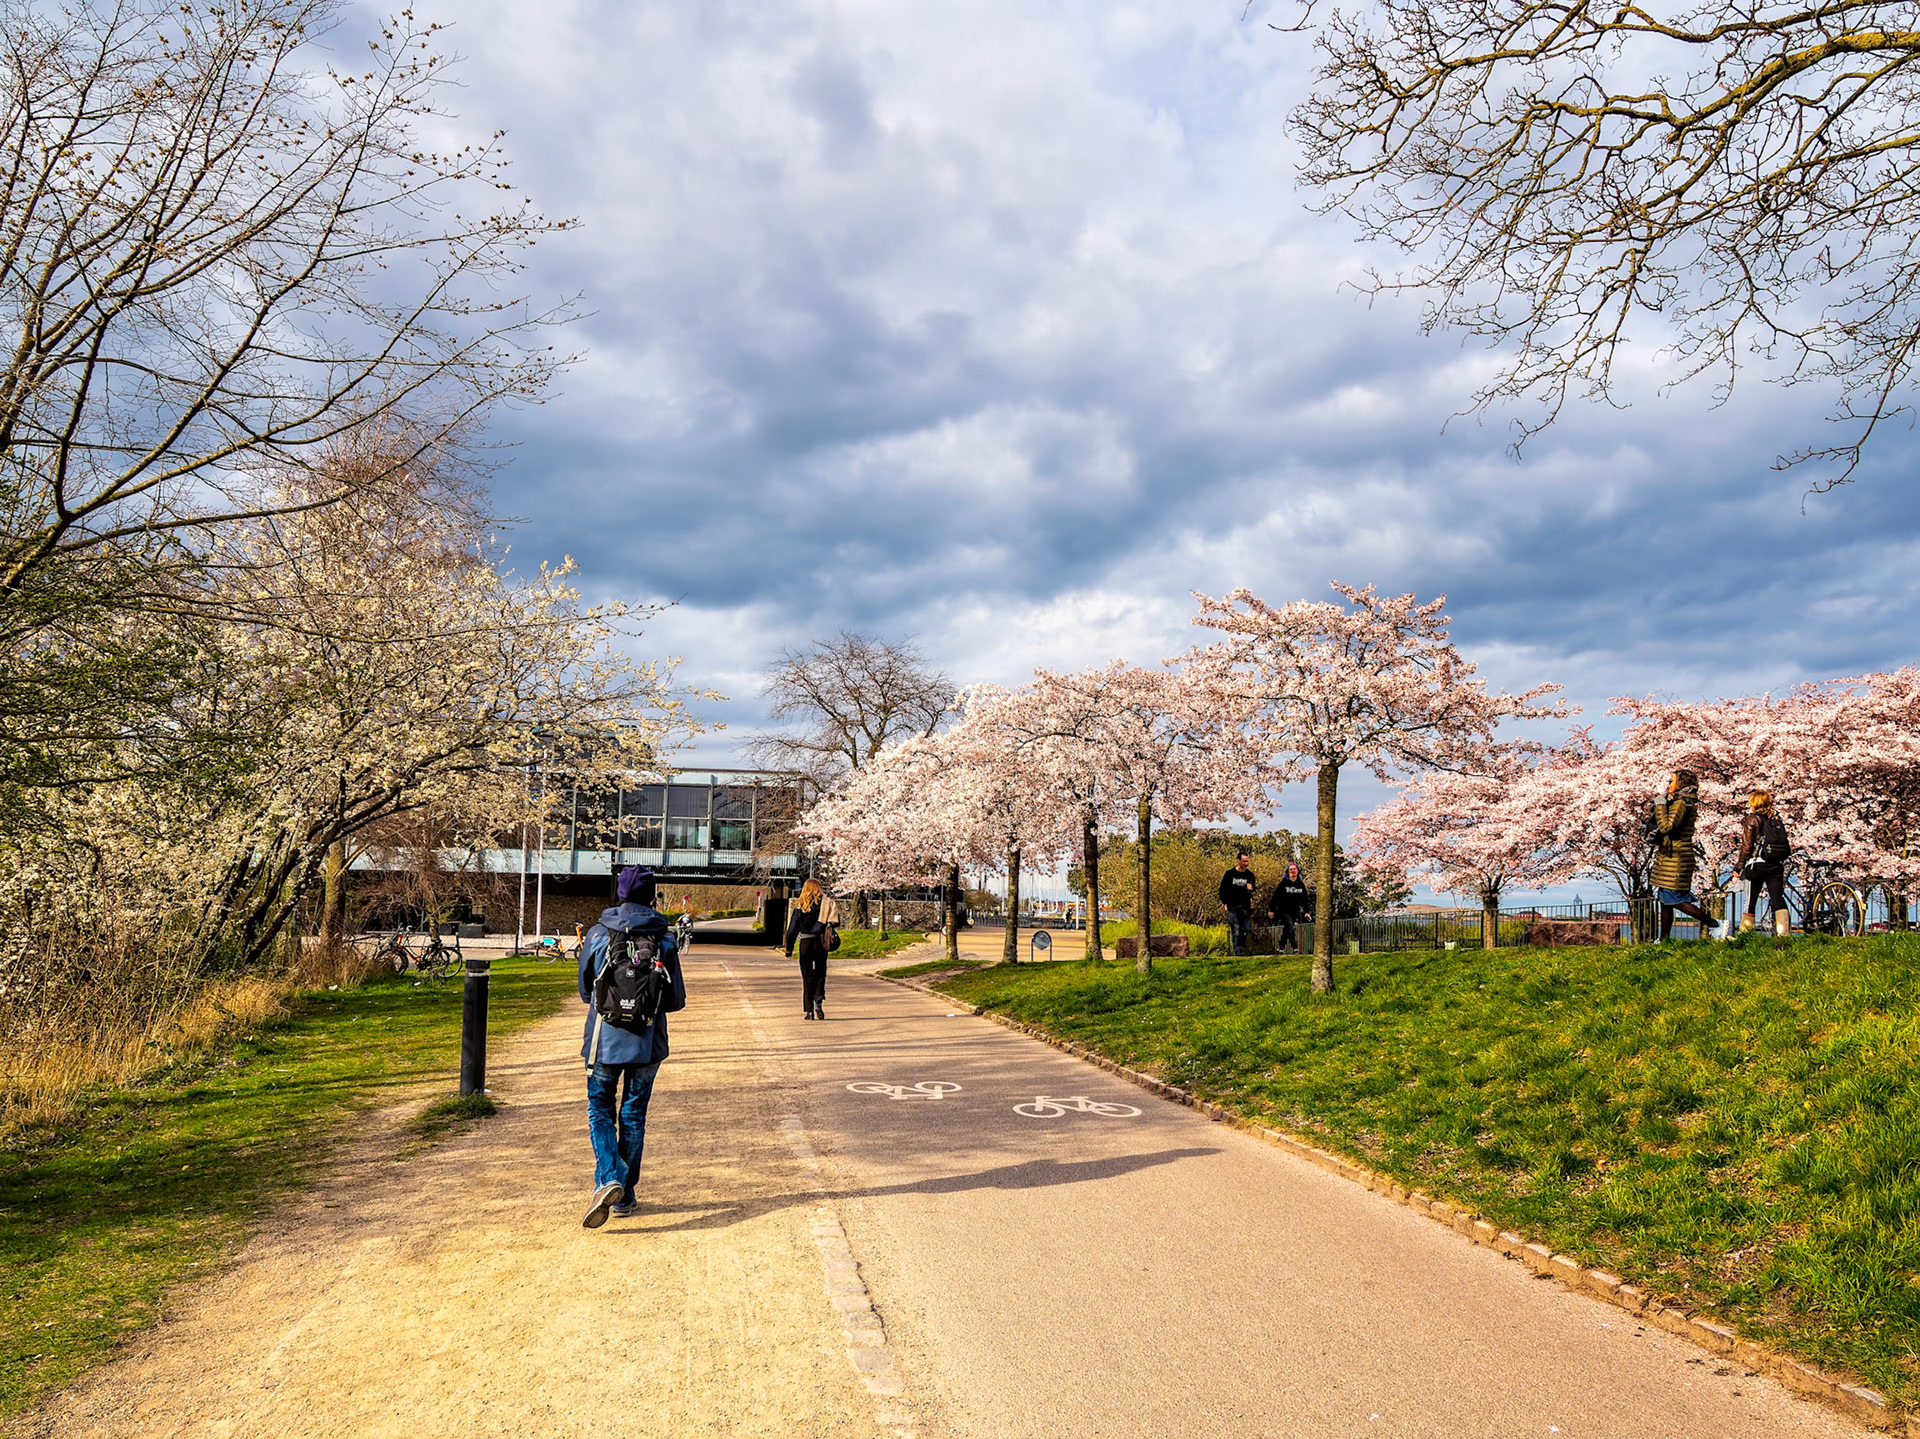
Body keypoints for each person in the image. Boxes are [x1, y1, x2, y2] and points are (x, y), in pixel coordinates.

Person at [577, 865, 685, 1229]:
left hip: (603, 1042)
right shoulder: (665, 939)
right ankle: (625, 1195)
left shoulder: (596, 934)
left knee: (600, 1112)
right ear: (652, 897)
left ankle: (609, 1177)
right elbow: (674, 1000)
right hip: (647, 1043)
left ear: (619, 894)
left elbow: (584, 992)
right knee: (633, 1116)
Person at [1651, 770, 1718, 940]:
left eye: (1672, 780)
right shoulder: (1683, 802)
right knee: (1665, 902)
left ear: (1680, 783)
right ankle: (1663, 939)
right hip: (1671, 858)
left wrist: (1660, 805)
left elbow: (1667, 827)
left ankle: (1714, 924)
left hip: (1676, 859)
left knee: (1675, 900)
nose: (1669, 784)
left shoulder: (1682, 803)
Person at [1733, 790, 1791, 934]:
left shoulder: (1752, 819)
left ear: (1753, 803)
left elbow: (1747, 846)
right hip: (1775, 865)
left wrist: (1739, 867)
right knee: (1778, 900)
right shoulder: (1776, 819)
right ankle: (1784, 936)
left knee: (1750, 902)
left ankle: (1745, 935)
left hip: (1756, 866)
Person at [783, 877, 840, 1020]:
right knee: (820, 973)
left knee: (807, 976)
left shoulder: (800, 906)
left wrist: (789, 949)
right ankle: (818, 1003)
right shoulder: (827, 903)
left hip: (806, 942)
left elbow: (791, 931)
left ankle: (809, 1010)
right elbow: (835, 922)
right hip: (821, 941)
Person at [1218, 851, 1260, 956]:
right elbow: (1222, 889)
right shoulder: (1230, 874)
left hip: (1245, 907)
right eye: (1244, 861)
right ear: (1238, 861)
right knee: (1236, 929)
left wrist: (1252, 888)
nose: (1246, 863)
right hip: (1232, 906)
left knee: (1246, 929)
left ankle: (1242, 949)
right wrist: (1225, 902)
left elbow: (1253, 887)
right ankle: (1238, 954)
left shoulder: (1249, 875)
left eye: (1247, 861)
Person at [1267, 860, 1313, 953]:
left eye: (1294, 869)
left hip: (1294, 911)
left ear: (1298, 871)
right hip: (1283, 910)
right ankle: (1295, 947)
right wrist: (1271, 910)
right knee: (1290, 926)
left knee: (1287, 929)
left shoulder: (1300, 885)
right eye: (1290, 869)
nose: (1292, 871)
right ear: (1288, 871)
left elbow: (1305, 900)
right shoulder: (1283, 884)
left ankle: (1280, 947)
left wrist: (1306, 912)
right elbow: (1275, 897)